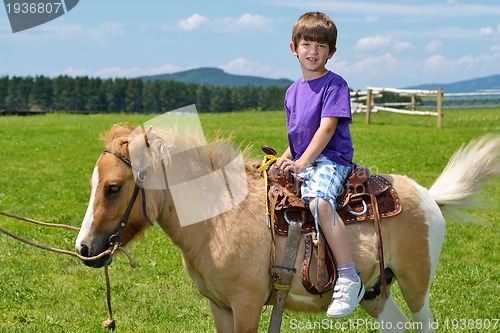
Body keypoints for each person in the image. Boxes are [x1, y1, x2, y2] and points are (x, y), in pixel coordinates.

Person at [276, 11, 365, 318]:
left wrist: (302, 162)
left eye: (321, 46)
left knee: (318, 203)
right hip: (307, 158)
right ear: (293, 48)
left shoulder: (335, 85)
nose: (313, 51)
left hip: (330, 159)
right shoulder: (292, 91)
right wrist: (286, 159)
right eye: (306, 44)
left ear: (332, 52)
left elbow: (325, 130)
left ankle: (349, 276)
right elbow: (299, 136)